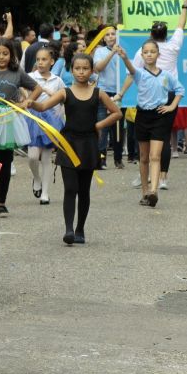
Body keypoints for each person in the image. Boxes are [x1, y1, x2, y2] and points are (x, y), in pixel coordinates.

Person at [29, 53, 122, 244]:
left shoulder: (99, 93)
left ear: (91, 71)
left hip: (88, 145)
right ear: (72, 70)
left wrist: (98, 126)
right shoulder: (65, 92)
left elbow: (117, 113)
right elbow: (44, 106)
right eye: (77, 68)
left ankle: (80, 229)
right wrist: (31, 103)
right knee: (70, 188)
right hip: (68, 144)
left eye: (85, 68)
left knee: (84, 190)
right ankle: (69, 229)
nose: (81, 72)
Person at [119, 0, 187, 190]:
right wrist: (185, 5)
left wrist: (121, 94)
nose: (149, 55)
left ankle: (152, 177)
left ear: (151, 37)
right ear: (166, 35)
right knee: (162, 137)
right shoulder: (174, 45)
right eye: (147, 53)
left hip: (160, 91)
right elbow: (181, 24)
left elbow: (131, 74)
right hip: (165, 94)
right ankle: (162, 178)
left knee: (152, 141)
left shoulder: (142, 52)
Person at [118, 41, 184, 207]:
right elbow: (131, 70)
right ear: (142, 56)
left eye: (152, 52)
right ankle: (145, 191)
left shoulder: (166, 75)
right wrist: (125, 58)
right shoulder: (139, 73)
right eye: (146, 52)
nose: (149, 54)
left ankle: (154, 192)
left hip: (159, 117)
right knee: (144, 157)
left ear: (158, 54)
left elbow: (180, 90)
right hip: (142, 116)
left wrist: (171, 106)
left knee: (155, 156)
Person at [0, 38, 41, 214]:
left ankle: (1, 202)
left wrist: (26, 102)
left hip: (8, 121)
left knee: (4, 163)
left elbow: (37, 88)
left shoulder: (17, 72)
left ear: (11, 55)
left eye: (5, 53)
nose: (1, 57)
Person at [25, 45, 66, 205]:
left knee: (47, 157)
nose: (40, 63)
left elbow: (64, 98)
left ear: (52, 61)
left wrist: (60, 113)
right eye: (38, 60)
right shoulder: (30, 77)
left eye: (44, 59)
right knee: (32, 156)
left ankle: (46, 193)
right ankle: (36, 179)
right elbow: (24, 93)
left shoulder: (58, 80)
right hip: (33, 118)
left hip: (51, 120)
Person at [93, 27, 126, 170]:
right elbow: (98, 68)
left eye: (113, 34)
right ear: (103, 38)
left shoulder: (124, 49)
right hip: (104, 92)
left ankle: (118, 158)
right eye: (108, 35)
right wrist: (112, 53)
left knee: (118, 126)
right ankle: (101, 158)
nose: (111, 37)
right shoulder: (100, 51)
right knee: (103, 125)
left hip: (120, 92)